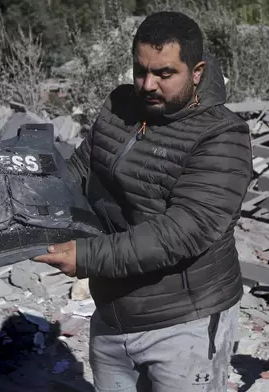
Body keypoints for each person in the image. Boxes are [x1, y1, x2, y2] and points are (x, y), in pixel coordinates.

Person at [33, 11, 252, 392]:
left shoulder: (222, 136)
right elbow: (84, 169)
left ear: (197, 71)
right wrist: (29, 200)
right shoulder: (122, 106)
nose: (148, 84)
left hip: (186, 323)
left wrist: (86, 256)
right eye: (140, 70)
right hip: (114, 312)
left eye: (165, 74)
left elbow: (180, 233)